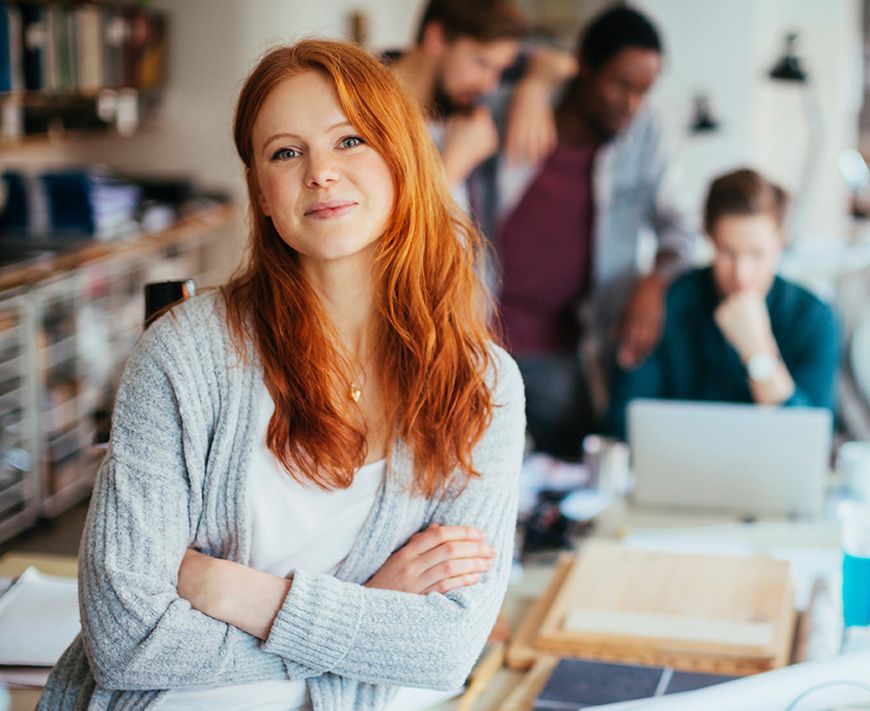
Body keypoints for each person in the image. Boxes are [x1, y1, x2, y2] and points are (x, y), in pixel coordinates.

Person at [38, 39, 525, 711]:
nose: (321, 173)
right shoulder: (185, 355)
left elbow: (445, 649)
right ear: (262, 194)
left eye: (349, 140)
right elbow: (125, 637)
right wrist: (370, 614)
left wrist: (231, 590)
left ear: (403, 161)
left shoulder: (484, 385)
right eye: (286, 153)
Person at [494, 5, 697, 459]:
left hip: (564, 351)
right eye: (621, 85)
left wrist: (654, 282)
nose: (632, 104)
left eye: (645, 90)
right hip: (479, 339)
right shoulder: (511, 108)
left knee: (575, 471)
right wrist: (537, 79)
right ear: (583, 67)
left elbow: (681, 230)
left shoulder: (645, 132)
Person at [607, 168, 839, 439]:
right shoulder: (667, 303)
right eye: (728, 252)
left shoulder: (814, 318)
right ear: (709, 237)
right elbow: (623, 421)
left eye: (756, 254)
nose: (741, 274)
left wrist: (758, 354)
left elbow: (810, 440)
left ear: (781, 241)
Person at [386, 0, 576, 236]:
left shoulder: (463, 100)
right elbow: (391, 237)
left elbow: (561, 63)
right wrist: (452, 165)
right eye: (482, 63)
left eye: (500, 70)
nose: (490, 84)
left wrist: (534, 89)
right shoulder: (363, 110)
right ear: (436, 38)